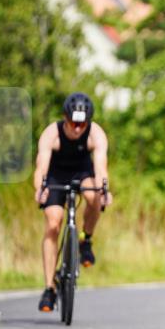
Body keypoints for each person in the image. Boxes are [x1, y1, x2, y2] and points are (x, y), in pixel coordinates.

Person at [32, 92, 112, 312]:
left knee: (93, 196)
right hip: (56, 175)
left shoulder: (96, 134)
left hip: (82, 172)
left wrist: (104, 190)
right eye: (73, 123)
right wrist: (40, 189)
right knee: (53, 223)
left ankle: (86, 239)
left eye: (82, 124)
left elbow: (100, 168)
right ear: (65, 118)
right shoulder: (51, 134)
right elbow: (41, 168)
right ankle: (49, 288)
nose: (77, 129)